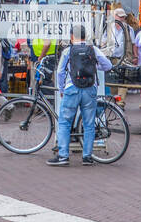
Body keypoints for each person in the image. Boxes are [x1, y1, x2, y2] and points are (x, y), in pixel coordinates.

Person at [47, 24, 113, 166]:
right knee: (89, 124)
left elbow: (60, 72)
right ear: (85, 36)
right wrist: (96, 67)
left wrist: (62, 89)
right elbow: (108, 66)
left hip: (72, 89)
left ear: (72, 36)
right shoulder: (93, 49)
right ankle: (87, 157)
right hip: (90, 89)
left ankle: (63, 156)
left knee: (64, 122)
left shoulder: (67, 51)